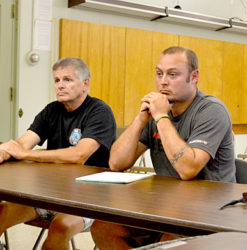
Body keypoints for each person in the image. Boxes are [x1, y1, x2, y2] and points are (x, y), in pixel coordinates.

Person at [90, 46, 235, 249]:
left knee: (171, 243)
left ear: (194, 77)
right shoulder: (157, 113)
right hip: (166, 208)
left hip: (208, 213)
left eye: (172, 74)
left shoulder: (211, 111)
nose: (163, 82)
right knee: (103, 228)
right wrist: (141, 119)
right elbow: (116, 163)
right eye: (159, 74)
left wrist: (160, 116)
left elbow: (187, 169)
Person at [0, 57, 116, 249]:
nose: (60, 86)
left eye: (67, 80)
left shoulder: (99, 111)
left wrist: (24, 154)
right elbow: (22, 144)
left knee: (60, 228)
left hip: (90, 198)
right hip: (51, 194)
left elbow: (79, 155)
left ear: (85, 83)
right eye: (57, 80)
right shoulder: (52, 110)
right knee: (2, 212)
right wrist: (5, 152)